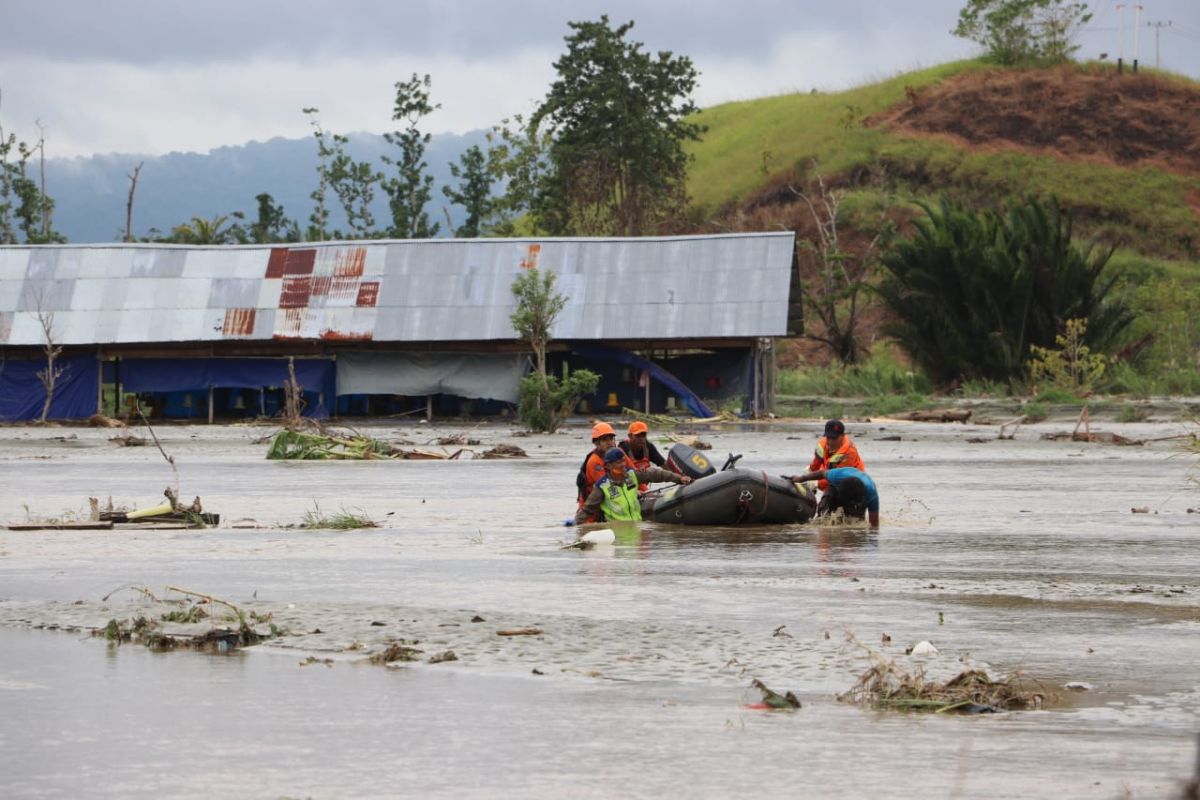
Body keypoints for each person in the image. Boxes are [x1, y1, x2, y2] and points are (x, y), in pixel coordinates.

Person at [576, 447, 691, 525]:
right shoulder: (602, 486)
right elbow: (587, 510)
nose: (622, 465)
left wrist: (679, 478)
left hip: (636, 527)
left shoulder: (632, 475)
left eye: (623, 461)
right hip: (616, 531)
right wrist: (574, 526)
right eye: (618, 462)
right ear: (608, 466)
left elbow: (657, 474)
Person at [789, 466, 879, 527]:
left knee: (857, 519)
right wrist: (801, 479)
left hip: (858, 494)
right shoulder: (836, 476)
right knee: (824, 511)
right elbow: (821, 473)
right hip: (836, 487)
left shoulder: (872, 495)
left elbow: (874, 525)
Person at [576, 422, 635, 509]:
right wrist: (632, 493)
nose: (609, 443)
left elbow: (633, 474)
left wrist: (643, 491)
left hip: (615, 494)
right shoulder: (594, 462)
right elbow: (608, 487)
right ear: (596, 443)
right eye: (604, 440)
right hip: (593, 506)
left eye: (611, 439)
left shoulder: (619, 453)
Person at [807, 419, 866, 491]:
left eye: (834, 439)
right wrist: (809, 473)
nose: (830, 442)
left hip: (852, 482)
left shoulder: (849, 453)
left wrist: (816, 483)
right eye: (828, 438)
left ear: (842, 436)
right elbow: (816, 464)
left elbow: (837, 478)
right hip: (829, 474)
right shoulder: (822, 444)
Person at [619, 420, 669, 492]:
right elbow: (620, 475)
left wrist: (678, 477)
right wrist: (635, 491)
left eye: (643, 435)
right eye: (638, 436)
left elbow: (664, 465)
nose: (641, 439)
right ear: (630, 436)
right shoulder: (622, 448)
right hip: (627, 487)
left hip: (644, 489)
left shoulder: (649, 447)